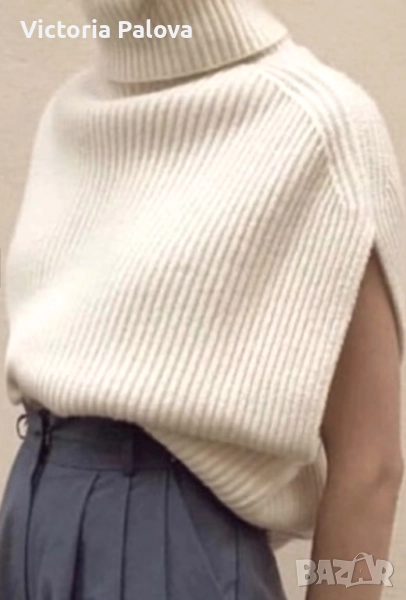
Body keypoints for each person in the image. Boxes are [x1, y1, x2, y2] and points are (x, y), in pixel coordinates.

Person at [1, 0, 405, 598]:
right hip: (29, 526)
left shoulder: (320, 124)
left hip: (170, 558)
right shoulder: (68, 115)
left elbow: (370, 467)